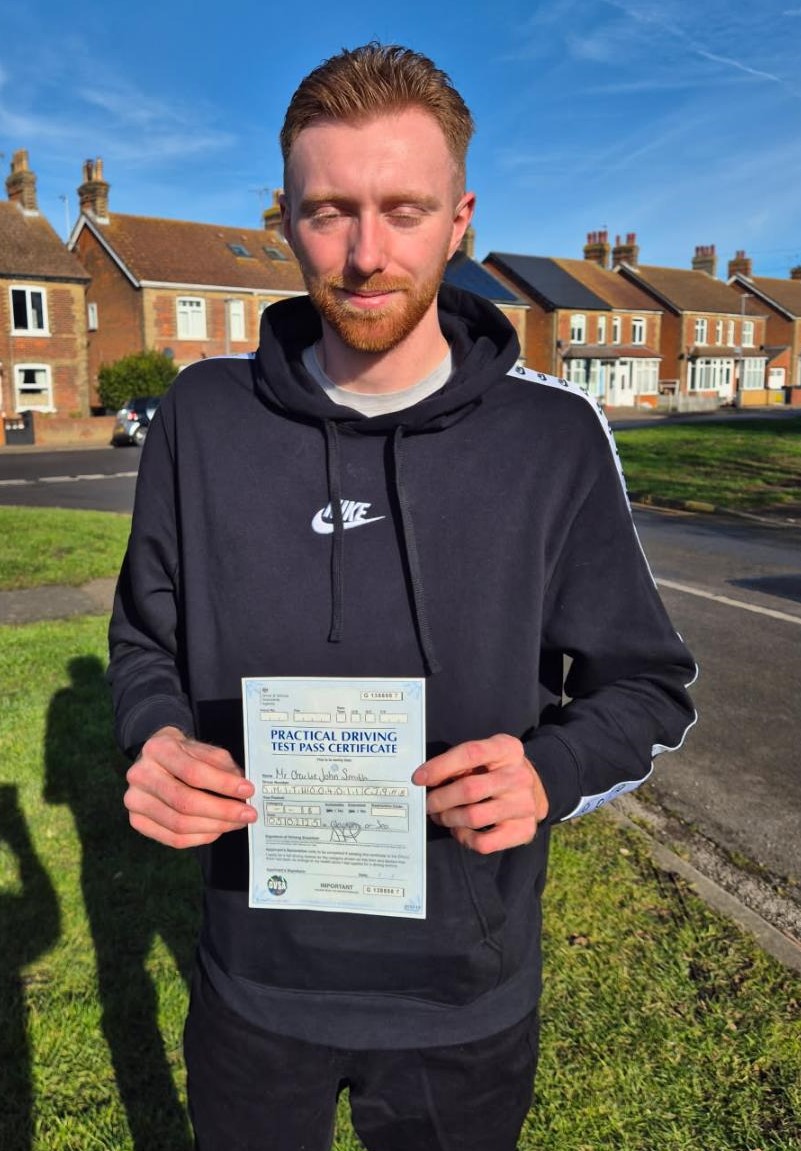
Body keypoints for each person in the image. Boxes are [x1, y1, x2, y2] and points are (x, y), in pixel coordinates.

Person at [108, 42, 696, 1151]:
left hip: (461, 996)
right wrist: (156, 736)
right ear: (283, 215)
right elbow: (146, 639)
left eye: (404, 209)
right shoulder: (202, 422)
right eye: (329, 210)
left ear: (460, 217)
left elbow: (646, 685)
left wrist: (550, 771)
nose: (367, 253)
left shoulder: (553, 438)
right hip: (255, 982)